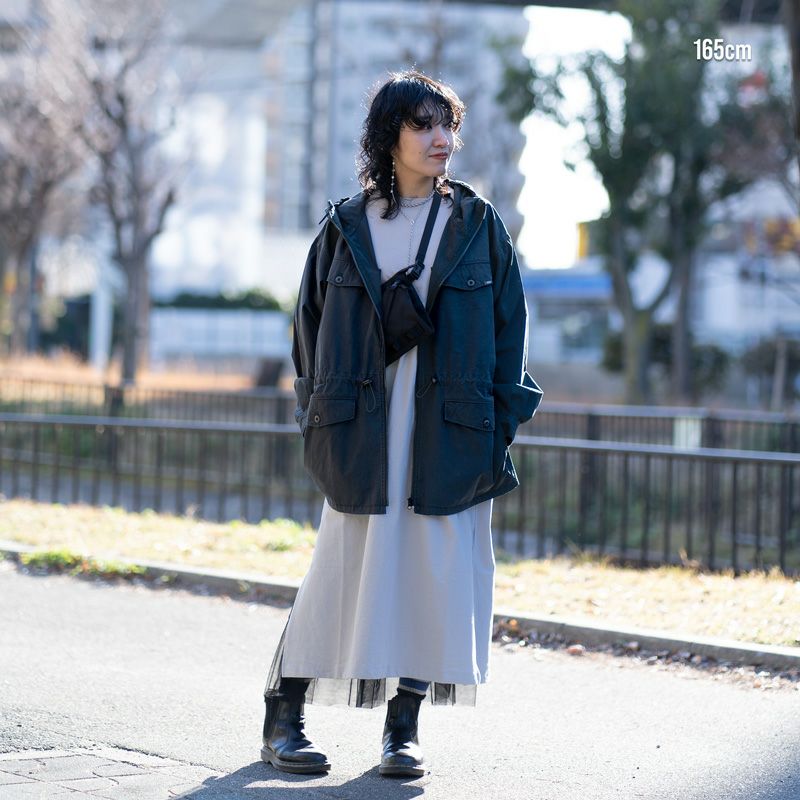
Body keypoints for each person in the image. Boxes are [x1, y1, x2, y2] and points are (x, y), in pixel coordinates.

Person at [260, 70, 542, 779]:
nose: (442, 139)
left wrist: (496, 427)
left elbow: (510, 333)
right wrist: (318, 419)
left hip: (448, 433)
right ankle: (283, 715)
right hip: (363, 432)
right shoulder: (346, 228)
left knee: (430, 578)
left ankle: (402, 729)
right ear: (390, 137)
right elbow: (308, 333)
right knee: (339, 571)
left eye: (448, 125)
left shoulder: (477, 225)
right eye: (424, 125)